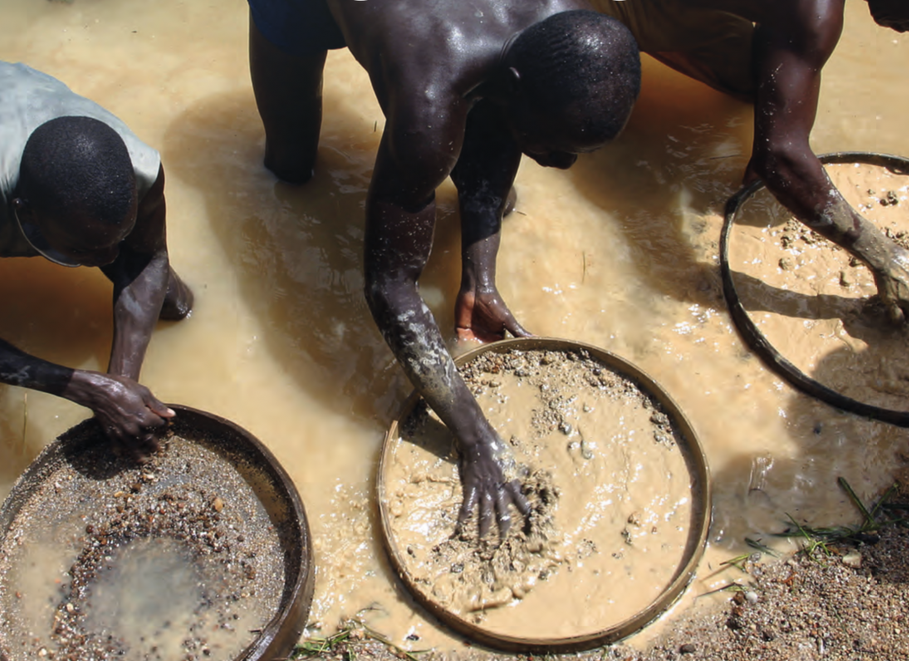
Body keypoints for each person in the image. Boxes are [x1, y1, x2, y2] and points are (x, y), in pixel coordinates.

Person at [247, 0, 642, 537]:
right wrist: (476, 439)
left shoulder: (566, 26)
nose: (563, 164)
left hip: (461, 54)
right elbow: (388, 288)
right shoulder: (430, 103)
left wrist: (481, 277)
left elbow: (502, 128)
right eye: (555, 145)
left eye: (577, 152)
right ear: (517, 81)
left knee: (496, 174)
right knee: (291, 169)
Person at [583, 0, 909, 323]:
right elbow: (782, 157)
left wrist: (777, 157)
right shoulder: (814, 11)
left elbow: (778, 151)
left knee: (755, 76)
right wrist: (884, 256)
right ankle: (592, 26)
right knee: (571, 86)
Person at [0, 58, 193, 457]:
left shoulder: (139, 167)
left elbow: (145, 259)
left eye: (116, 238)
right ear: (24, 213)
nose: (106, 258)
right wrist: (76, 384)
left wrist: (119, 385)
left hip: (22, 97)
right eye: (83, 250)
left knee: (174, 305)